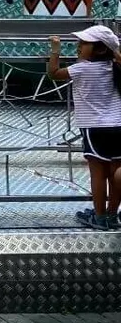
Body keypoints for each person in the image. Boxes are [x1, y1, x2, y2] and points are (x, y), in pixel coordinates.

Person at [47, 27, 121, 230]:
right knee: (116, 173)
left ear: (98, 49)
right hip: (118, 126)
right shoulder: (114, 66)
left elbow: (53, 74)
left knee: (98, 174)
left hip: (94, 127)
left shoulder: (81, 69)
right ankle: (112, 215)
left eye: (84, 43)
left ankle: (99, 216)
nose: (79, 47)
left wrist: (55, 51)